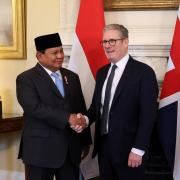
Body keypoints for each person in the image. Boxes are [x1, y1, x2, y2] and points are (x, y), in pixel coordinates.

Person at [86, 24, 159, 180]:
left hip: (130, 151)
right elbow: (96, 108)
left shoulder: (144, 73)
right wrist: (84, 119)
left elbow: (148, 116)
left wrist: (138, 149)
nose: (107, 45)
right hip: (104, 148)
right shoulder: (102, 73)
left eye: (112, 41)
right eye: (104, 42)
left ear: (125, 42)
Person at [16, 33, 91, 180]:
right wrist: (67, 118)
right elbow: (34, 108)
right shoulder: (26, 79)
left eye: (61, 51)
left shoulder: (72, 77)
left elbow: (80, 108)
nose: (60, 56)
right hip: (40, 151)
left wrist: (85, 141)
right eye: (54, 53)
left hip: (70, 150)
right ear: (39, 56)